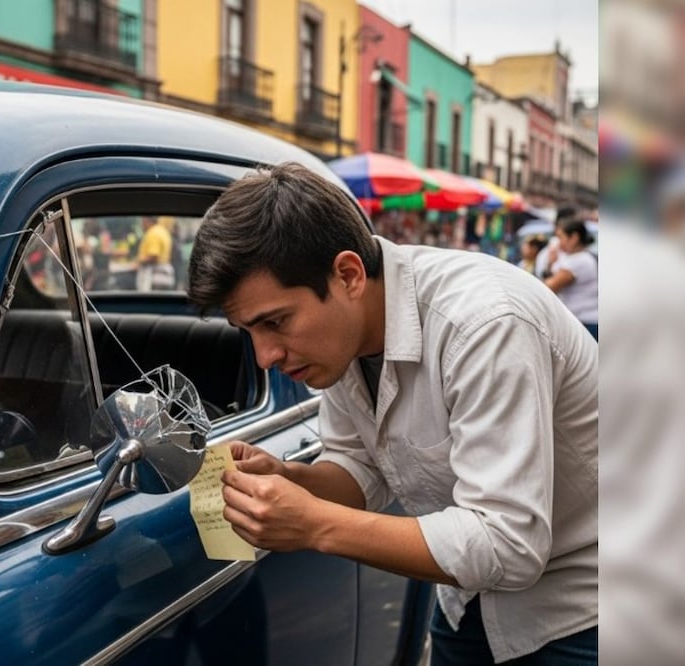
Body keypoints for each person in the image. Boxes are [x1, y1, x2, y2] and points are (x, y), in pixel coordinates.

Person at [186, 163, 597, 666]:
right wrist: (294, 480)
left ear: (348, 275)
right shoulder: (347, 336)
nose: (265, 355)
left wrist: (315, 523)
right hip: (466, 600)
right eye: (247, 331)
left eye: (275, 322)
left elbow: (507, 543)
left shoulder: (486, 324)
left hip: (585, 611)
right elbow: (361, 468)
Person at [543, 218, 599, 339]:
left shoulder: (580, 260)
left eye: (560, 237)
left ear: (573, 238)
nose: (558, 242)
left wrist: (551, 263)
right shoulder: (571, 258)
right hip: (579, 322)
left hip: (585, 323)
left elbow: (549, 287)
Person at [136, 216, 176, 291]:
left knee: (151, 301)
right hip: (165, 274)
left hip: (156, 275)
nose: (141, 225)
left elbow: (153, 256)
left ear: (146, 221)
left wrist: (139, 260)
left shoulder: (153, 233)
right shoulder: (162, 230)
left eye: (142, 222)